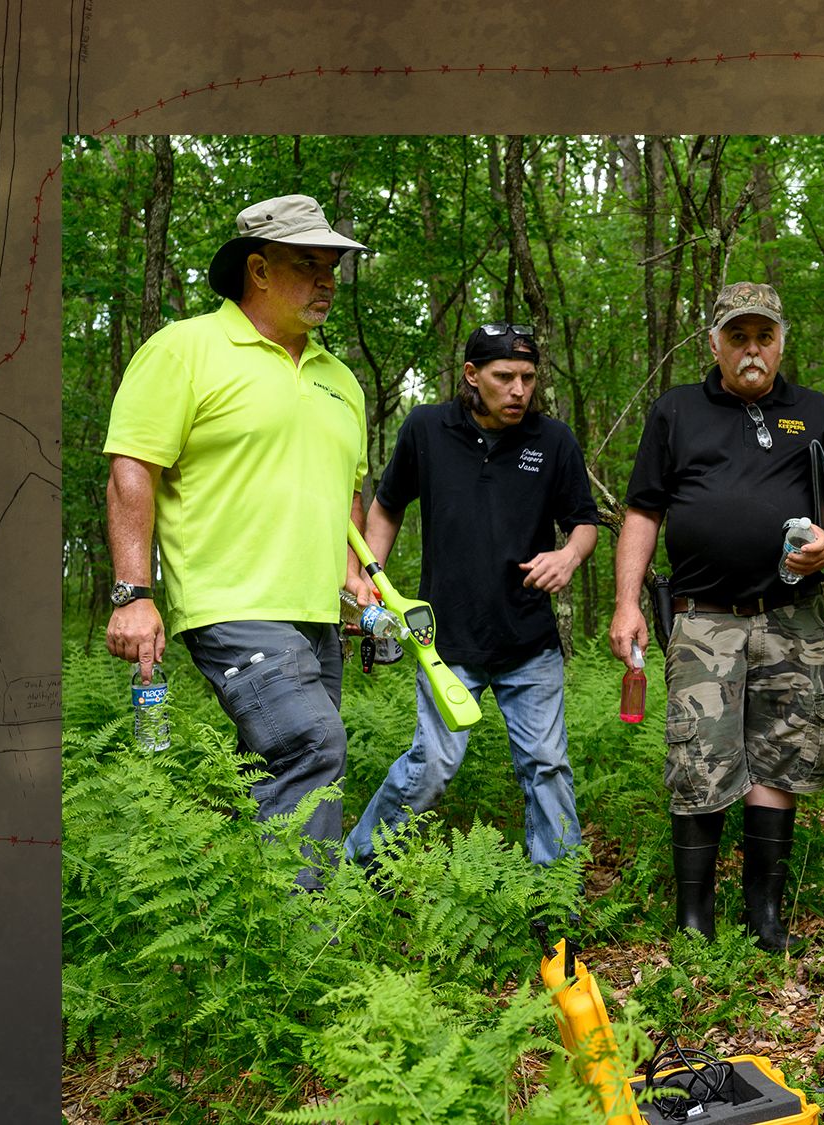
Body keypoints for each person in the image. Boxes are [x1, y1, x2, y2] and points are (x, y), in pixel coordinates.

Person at [103, 194, 375, 889]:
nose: (326, 281)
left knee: (272, 767)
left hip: (316, 611)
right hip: (231, 602)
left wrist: (356, 571)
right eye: (307, 264)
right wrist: (134, 593)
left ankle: (248, 926)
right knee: (313, 749)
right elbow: (134, 465)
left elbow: (349, 486)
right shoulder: (184, 349)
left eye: (333, 267)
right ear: (257, 268)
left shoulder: (340, 379)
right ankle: (302, 943)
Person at [609, 281, 824, 951]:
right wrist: (626, 603)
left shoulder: (817, 413)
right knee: (698, 756)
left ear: (781, 341)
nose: (751, 350)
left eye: (764, 336)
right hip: (703, 619)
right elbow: (643, 510)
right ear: (714, 343)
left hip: (791, 616)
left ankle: (766, 920)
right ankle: (694, 925)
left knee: (782, 755)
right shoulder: (676, 412)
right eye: (737, 336)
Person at [345, 324, 600, 869]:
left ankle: (556, 906)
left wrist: (568, 557)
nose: (519, 391)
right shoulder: (426, 429)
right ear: (471, 376)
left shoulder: (553, 441)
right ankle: (355, 870)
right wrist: (369, 575)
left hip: (530, 642)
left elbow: (584, 522)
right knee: (431, 766)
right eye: (504, 377)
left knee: (546, 764)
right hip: (445, 641)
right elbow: (387, 506)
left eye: (528, 378)